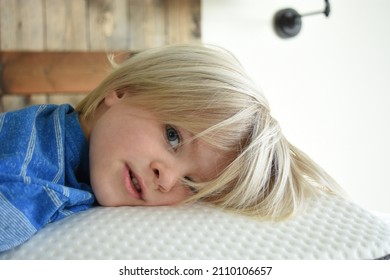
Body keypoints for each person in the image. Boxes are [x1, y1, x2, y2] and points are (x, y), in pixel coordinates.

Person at [0, 44, 342, 252]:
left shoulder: (70, 153)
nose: (166, 178)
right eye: (173, 137)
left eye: (191, 184)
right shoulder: (33, 169)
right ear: (123, 90)